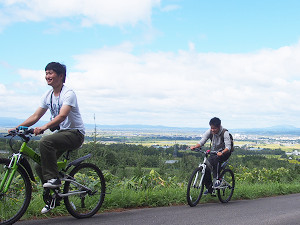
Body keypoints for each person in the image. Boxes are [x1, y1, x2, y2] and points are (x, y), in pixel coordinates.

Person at [9, 62, 85, 213]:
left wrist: (44, 127)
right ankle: (54, 196)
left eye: (51, 73)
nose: (47, 76)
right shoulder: (48, 95)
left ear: (61, 76)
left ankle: (54, 180)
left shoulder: (68, 93)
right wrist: (18, 128)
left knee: (45, 141)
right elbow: (36, 116)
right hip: (62, 134)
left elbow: (63, 115)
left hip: (75, 134)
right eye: (46, 73)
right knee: (39, 166)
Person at [190, 117, 232, 195]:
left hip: (225, 152)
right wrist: (195, 147)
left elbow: (228, 147)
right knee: (206, 168)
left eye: (214, 128)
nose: (212, 130)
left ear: (219, 127)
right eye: (211, 128)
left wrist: (222, 152)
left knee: (216, 159)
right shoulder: (209, 132)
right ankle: (210, 188)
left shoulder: (225, 133)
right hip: (214, 152)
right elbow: (202, 141)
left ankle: (217, 180)